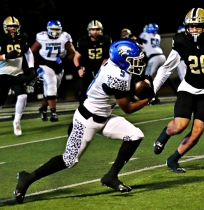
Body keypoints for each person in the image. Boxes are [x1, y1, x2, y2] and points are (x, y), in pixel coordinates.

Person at [13, 39, 155, 204]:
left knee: (135, 135)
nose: (137, 63)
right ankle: (27, 178)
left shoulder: (114, 65)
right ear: (121, 59)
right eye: (133, 60)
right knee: (69, 160)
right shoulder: (116, 77)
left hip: (104, 117)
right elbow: (128, 108)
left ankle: (111, 176)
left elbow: (129, 81)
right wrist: (147, 99)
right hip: (86, 119)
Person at [152, 8, 204, 173]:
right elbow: (166, 69)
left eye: (198, 26)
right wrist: (153, 90)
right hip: (188, 87)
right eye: (191, 26)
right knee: (179, 126)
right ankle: (165, 134)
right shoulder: (181, 40)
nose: (194, 30)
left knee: (197, 131)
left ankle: (173, 159)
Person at [31, 20, 75, 122]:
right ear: (48, 29)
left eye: (57, 29)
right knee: (51, 85)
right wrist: (35, 65)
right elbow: (30, 52)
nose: (55, 31)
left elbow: (72, 52)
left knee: (51, 90)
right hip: (45, 64)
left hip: (58, 66)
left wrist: (63, 59)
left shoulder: (65, 37)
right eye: (53, 29)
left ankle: (43, 108)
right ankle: (53, 113)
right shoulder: (42, 37)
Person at [0, 16, 35, 136]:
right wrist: (5, 56)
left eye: (14, 26)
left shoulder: (22, 37)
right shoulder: (1, 38)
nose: (12, 29)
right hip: (3, 73)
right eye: (10, 26)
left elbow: (28, 52)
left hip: (17, 73)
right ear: (5, 27)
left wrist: (31, 68)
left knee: (23, 95)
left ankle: (17, 122)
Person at [74, 20, 112, 106]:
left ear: (100, 30)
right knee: (84, 91)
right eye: (92, 29)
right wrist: (78, 69)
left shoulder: (106, 40)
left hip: (101, 69)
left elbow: (111, 54)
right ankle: (82, 109)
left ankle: (99, 109)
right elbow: (76, 58)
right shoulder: (83, 42)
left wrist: (107, 59)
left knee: (102, 91)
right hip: (87, 68)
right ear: (89, 30)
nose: (95, 32)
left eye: (97, 29)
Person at [139, 23, 177, 105]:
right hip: (162, 56)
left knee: (147, 78)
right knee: (166, 76)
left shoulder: (144, 35)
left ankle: (153, 98)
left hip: (154, 58)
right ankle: (177, 93)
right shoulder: (157, 36)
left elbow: (141, 40)